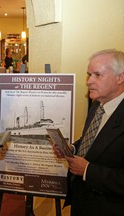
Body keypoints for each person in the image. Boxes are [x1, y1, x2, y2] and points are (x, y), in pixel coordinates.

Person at [53, 49, 124, 216]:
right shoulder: (96, 107)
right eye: (89, 74)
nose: (89, 81)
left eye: (97, 75)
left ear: (120, 78)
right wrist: (72, 148)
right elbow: (94, 140)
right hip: (82, 202)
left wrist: (88, 170)